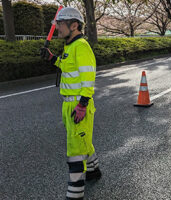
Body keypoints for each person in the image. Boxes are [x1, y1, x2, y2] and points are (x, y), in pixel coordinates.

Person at [40, 7, 101, 200]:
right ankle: (93, 171)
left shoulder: (81, 46)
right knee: (82, 139)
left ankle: (75, 194)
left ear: (74, 25)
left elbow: (88, 78)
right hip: (69, 104)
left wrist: (82, 105)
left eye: (60, 24)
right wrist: (52, 58)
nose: (57, 28)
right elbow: (67, 66)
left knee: (74, 150)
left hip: (78, 105)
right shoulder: (70, 46)